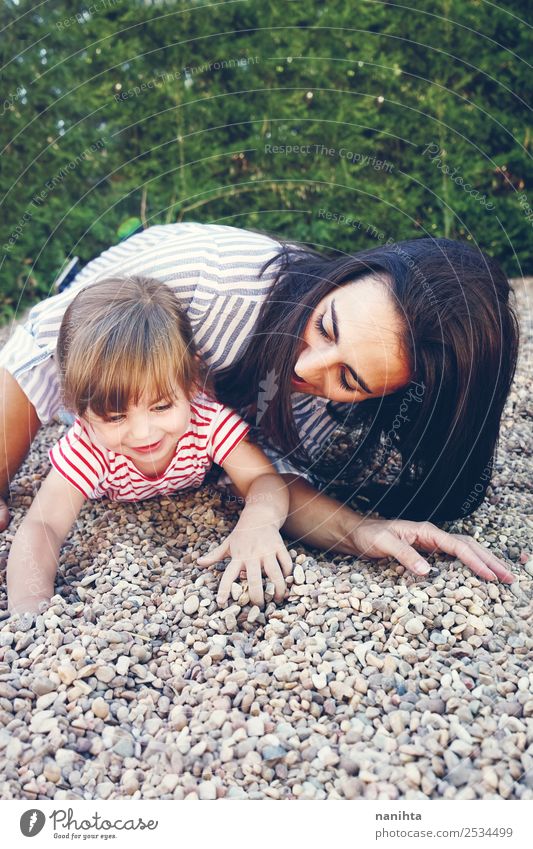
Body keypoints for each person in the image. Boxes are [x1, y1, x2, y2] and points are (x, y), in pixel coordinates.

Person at [0, 223, 518, 586]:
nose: (305, 370)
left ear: (388, 396)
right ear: (346, 274)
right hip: (108, 291)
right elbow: (35, 349)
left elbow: (271, 476)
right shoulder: (203, 282)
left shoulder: (322, 415)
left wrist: (361, 531)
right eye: (326, 328)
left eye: (349, 379)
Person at [6, 276, 293, 615]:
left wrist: (259, 519)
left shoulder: (206, 422)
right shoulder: (89, 446)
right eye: (116, 416)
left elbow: (263, 478)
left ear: (190, 385)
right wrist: (28, 609)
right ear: (80, 413)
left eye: (161, 407)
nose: (143, 434)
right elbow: (44, 524)